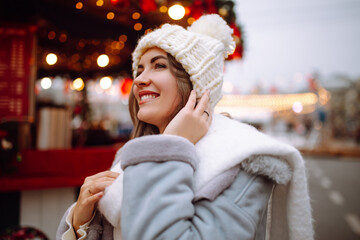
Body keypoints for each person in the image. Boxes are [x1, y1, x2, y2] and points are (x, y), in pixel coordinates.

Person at [57, 14, 314, 240]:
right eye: (139, 69)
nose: (139, 80)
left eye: (159, 65)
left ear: (195, 85)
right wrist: (81, 223)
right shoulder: (131, 156)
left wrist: (170, 148)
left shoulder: (240, 160)